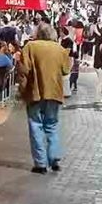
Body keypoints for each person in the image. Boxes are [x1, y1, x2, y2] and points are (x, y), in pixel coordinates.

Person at [17, 23, 71, 174]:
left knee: (36, 125)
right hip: (54, 92)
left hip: (35, 92)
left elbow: (24, 70)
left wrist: (21, 90)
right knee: (52, 125)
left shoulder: (30, 47)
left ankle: (40, 163)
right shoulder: (60, 49)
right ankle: (54, 159)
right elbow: (66, 70)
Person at [59, 27, 79, 94]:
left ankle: (67, 91)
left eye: (61, 32)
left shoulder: (68, 40)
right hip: (63, 58)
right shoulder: (61, 40)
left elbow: (68, 51)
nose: (60, 33)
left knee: (66, 75)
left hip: (68, 59)